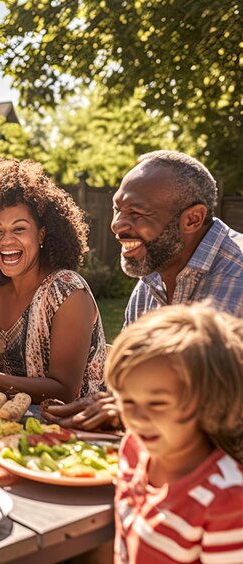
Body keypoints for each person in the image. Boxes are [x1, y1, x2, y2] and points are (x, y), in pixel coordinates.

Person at [0, 303, 243, 564]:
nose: (137, 418)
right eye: (128, 401)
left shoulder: (225, 501)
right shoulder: (133, 451)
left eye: (157, 403)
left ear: (212, 401)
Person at [43, 150, 243, 430]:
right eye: (118, 210)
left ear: (192, 220)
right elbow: (127, 383)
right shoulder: (149, 285)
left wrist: (133, 409)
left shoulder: (238, 276)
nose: (116, 225)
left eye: (136, 214)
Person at [0, 158, 107, 403]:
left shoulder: (67, 292)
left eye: (19, 229)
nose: (6, 241)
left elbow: (66, 390)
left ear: (41, 234)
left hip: (74, 432)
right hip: (8, 427)